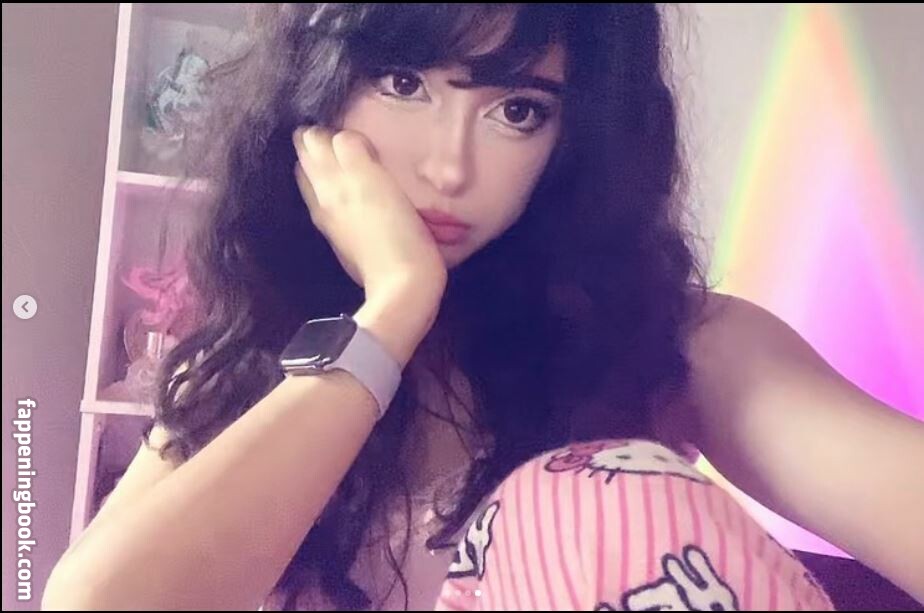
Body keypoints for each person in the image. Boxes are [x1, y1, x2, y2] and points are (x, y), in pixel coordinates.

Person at [43, 4, 924, 611]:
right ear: (315, 90)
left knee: (584, 496)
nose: (449, 168)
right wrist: (389, 316)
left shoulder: (676, 344)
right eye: (402, 83)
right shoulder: (249, 364)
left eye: (518, 109)